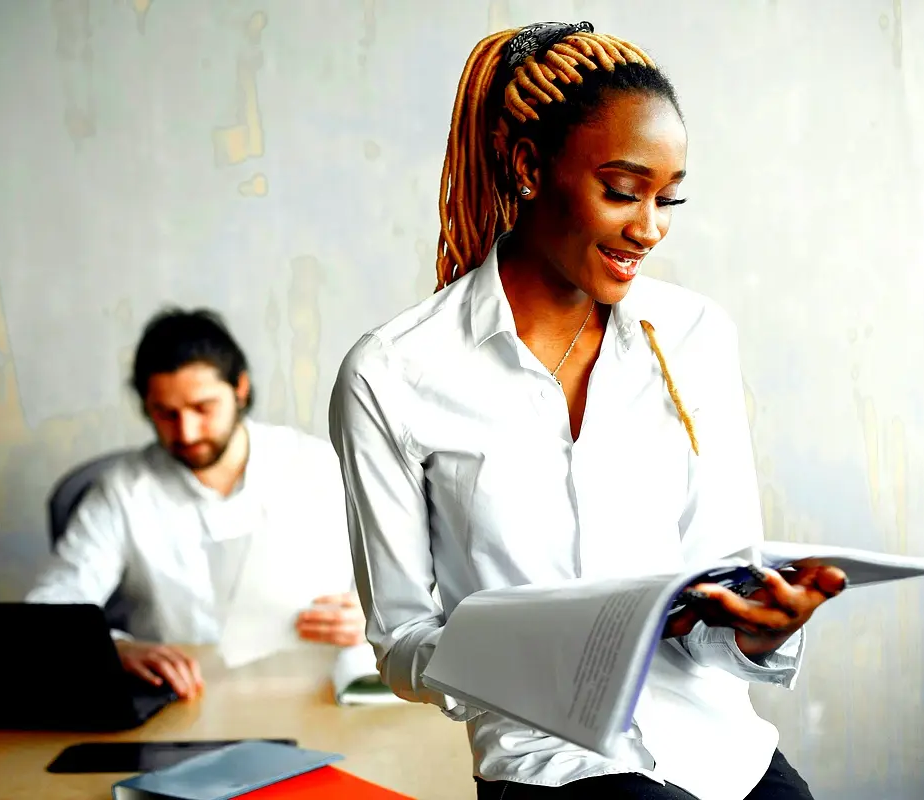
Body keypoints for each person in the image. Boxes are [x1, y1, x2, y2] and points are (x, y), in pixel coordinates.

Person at [328, 21, 847, 800]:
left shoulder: (694, 337)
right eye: (622, 191)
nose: (650, 228)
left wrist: (754, 630)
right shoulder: (394, 374)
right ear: (531, 167)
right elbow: (403, 646)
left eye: (668, 198)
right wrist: (543, 652)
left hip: (717, 751)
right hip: (552, 766)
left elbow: (722, 574)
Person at [28, 307, 364, 700]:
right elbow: (48, 613)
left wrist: (373, 616)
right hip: (182, 698)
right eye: (165, 413)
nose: (186, 432)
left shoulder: (319, 465)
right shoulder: (123, 490)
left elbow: (410, 579)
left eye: (203, 408)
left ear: (240, 389)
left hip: (315, 691)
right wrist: (116, 648)